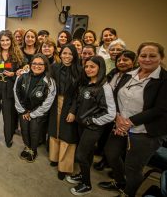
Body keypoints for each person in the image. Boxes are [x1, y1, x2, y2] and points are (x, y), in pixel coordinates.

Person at [99, 42, 167, 197]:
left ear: (161, 57)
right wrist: (116, 116)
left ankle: (127, 193)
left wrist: (128, 122)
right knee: (111, 154)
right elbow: (114, 95)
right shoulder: (129, 74)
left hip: (145, 132)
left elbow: (160, 109)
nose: (147, 59)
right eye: (143, 55)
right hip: (119, 124)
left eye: (152, 56)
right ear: (139, 57)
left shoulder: (164, 80)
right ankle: (119, 181)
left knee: (133, 167)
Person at [66, 56, 116, 196]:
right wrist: (74, 113)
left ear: (100, 68)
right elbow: (78, 100)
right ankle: (82, 174)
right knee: (87, 155)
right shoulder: (86, 83)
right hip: (81, 124)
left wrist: (90, 121)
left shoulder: (104, 87)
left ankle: (87, 185)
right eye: (86, 66)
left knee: (81, 155)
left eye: (92, 67)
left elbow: (110, 113)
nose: (88, 69)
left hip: (92, 127)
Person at [14, 54, 56, 162]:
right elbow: (16, 91)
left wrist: (33, 114)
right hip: (23, 110)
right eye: (34, 63)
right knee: (24, 130)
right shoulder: (22, 76)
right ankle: (27, 147)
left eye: (40, 64)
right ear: (30, 64)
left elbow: (48, 102)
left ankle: (33, 150)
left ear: (45, 66)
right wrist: (22, 110)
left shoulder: (49, 81)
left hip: (38, 112)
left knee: (34, 131)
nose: (37, 66)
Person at [48, 45, 81, 180]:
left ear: (74, 56)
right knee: (55, 131)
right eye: (64, 53)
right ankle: (54, 158)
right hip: (55, 102)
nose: (67, 56)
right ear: (60, 54)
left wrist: (73, 111)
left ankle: (64, 167)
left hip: (71, 104)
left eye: (70, 54)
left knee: (67, 135)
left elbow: (80, 93)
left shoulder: (80, 70)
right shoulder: (55, 67)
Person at [0, 30, 24, 148]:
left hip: (9, 89)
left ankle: (9, 138)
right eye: (2, 40)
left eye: (7, 40)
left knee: (9, 117)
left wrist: (14, 74)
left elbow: (22, 70)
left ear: (11, 41)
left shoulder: (17, 55)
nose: (5, 42)